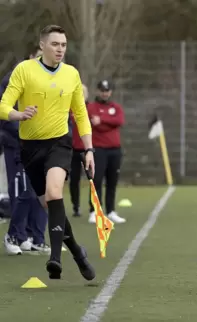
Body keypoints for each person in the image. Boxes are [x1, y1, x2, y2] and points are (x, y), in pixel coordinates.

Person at [0, 25, 95, 281]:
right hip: (30, 147)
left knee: (54, 193)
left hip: (59, 143)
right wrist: (18, 114)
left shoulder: (71, 74)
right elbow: (3, 106)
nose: (60, 49)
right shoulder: (24, 70)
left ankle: (55, 257)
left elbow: (81, 114)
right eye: (55, 44)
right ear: (42, 46)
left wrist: (88, 149)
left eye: (63, 45)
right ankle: (76, 250)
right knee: (49, 204)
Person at [1, 45, 50, 255]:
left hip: (43, 145)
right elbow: (4, 112)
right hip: (18, 145)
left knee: (42, 193)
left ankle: (35, 237)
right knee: (22, 192)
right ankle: (15, 235)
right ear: (30, 56)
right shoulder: (13, 78)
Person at [87, 80, 126, 224]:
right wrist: (108, 123)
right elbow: (95, 125)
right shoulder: (91, 107)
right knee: (96, 180)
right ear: (98, 91)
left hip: (115, 149)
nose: (105, 93)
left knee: (112, 181)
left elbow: (119, 121)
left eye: (107, 90)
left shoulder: (116, 107)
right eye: (102, 90)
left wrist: (102, 120)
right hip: (98, 149)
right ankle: (94, 211)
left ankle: (111, 211)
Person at [69, 83, 90, 217]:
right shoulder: (68, 109)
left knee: (93, 179)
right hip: (72, 150)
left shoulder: (90, 109)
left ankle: (94, 208)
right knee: (74, 179)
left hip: (87, 149)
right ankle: (76, 206)